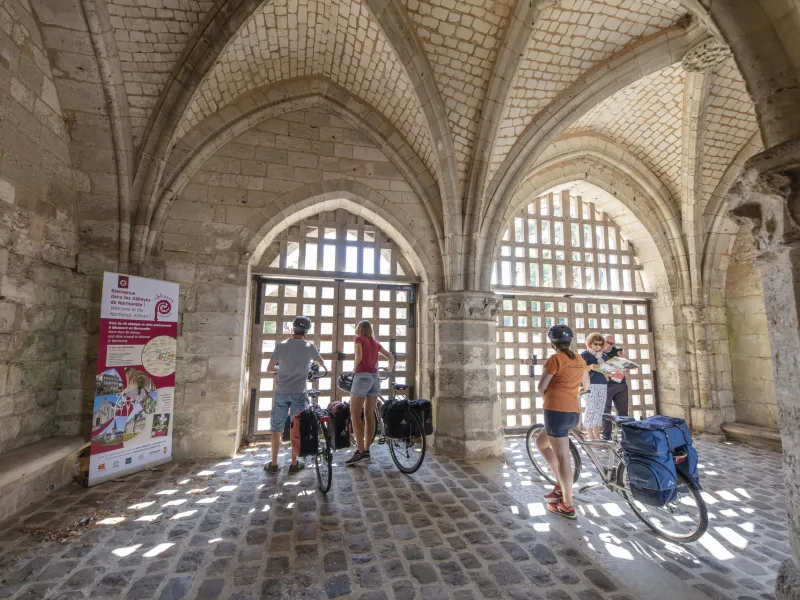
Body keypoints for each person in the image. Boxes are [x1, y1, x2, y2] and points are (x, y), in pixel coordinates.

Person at [536, 324, 590, 520]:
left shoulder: (555, 359)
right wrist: (571, 392)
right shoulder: (580, 360)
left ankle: (567, 505)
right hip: (572, 412)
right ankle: (560, 483)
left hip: (556, 411)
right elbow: (586, 386)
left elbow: (541, 387)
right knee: (541, 443)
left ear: (552, 343)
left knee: (564, 459)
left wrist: (549, 396)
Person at [264, 315, 324, 474]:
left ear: (293, 329)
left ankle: (274, 463)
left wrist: (281, 369)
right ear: (306, 331)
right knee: (295, 426)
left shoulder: (281, 345)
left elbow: (270, 368)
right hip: (299, 391)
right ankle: (294, 462)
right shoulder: (309, 347)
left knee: (276, 428)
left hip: (281, 391)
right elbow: (321, 363)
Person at [345, 320, 395, 465]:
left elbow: (359, 356)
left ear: (359, 329)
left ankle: (360, 451)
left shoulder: (358, 338)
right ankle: (367, 449)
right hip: (375, 378)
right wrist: (388, 370)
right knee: (369, 415)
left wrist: (354, 369)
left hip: (362, 376)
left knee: (354, 413)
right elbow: (391, 357)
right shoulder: (375, 343)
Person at [580, 332, 610, 440]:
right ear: (590, 343)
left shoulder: (605, 356)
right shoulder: (585, 355)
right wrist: (590, 367)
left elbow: (606, 371)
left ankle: (597, 433)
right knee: (591, 408)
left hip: (603, 384)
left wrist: (610, 372)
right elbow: (580, 370)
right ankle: (589, 434)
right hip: (590, 385)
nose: (598, 346)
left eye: (600, 344)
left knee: (600, 409)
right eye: (595, 344)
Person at [602, 335, 629, 440]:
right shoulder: (599, 353)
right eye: (607, 342)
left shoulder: (618, 351)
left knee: (623, 411)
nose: (609, 345)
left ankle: (625, 436)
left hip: (621, 385)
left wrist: (623, 357)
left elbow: (627, 369)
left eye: (612, 343)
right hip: (607, 385)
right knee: (606, 411)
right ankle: (606, 435)